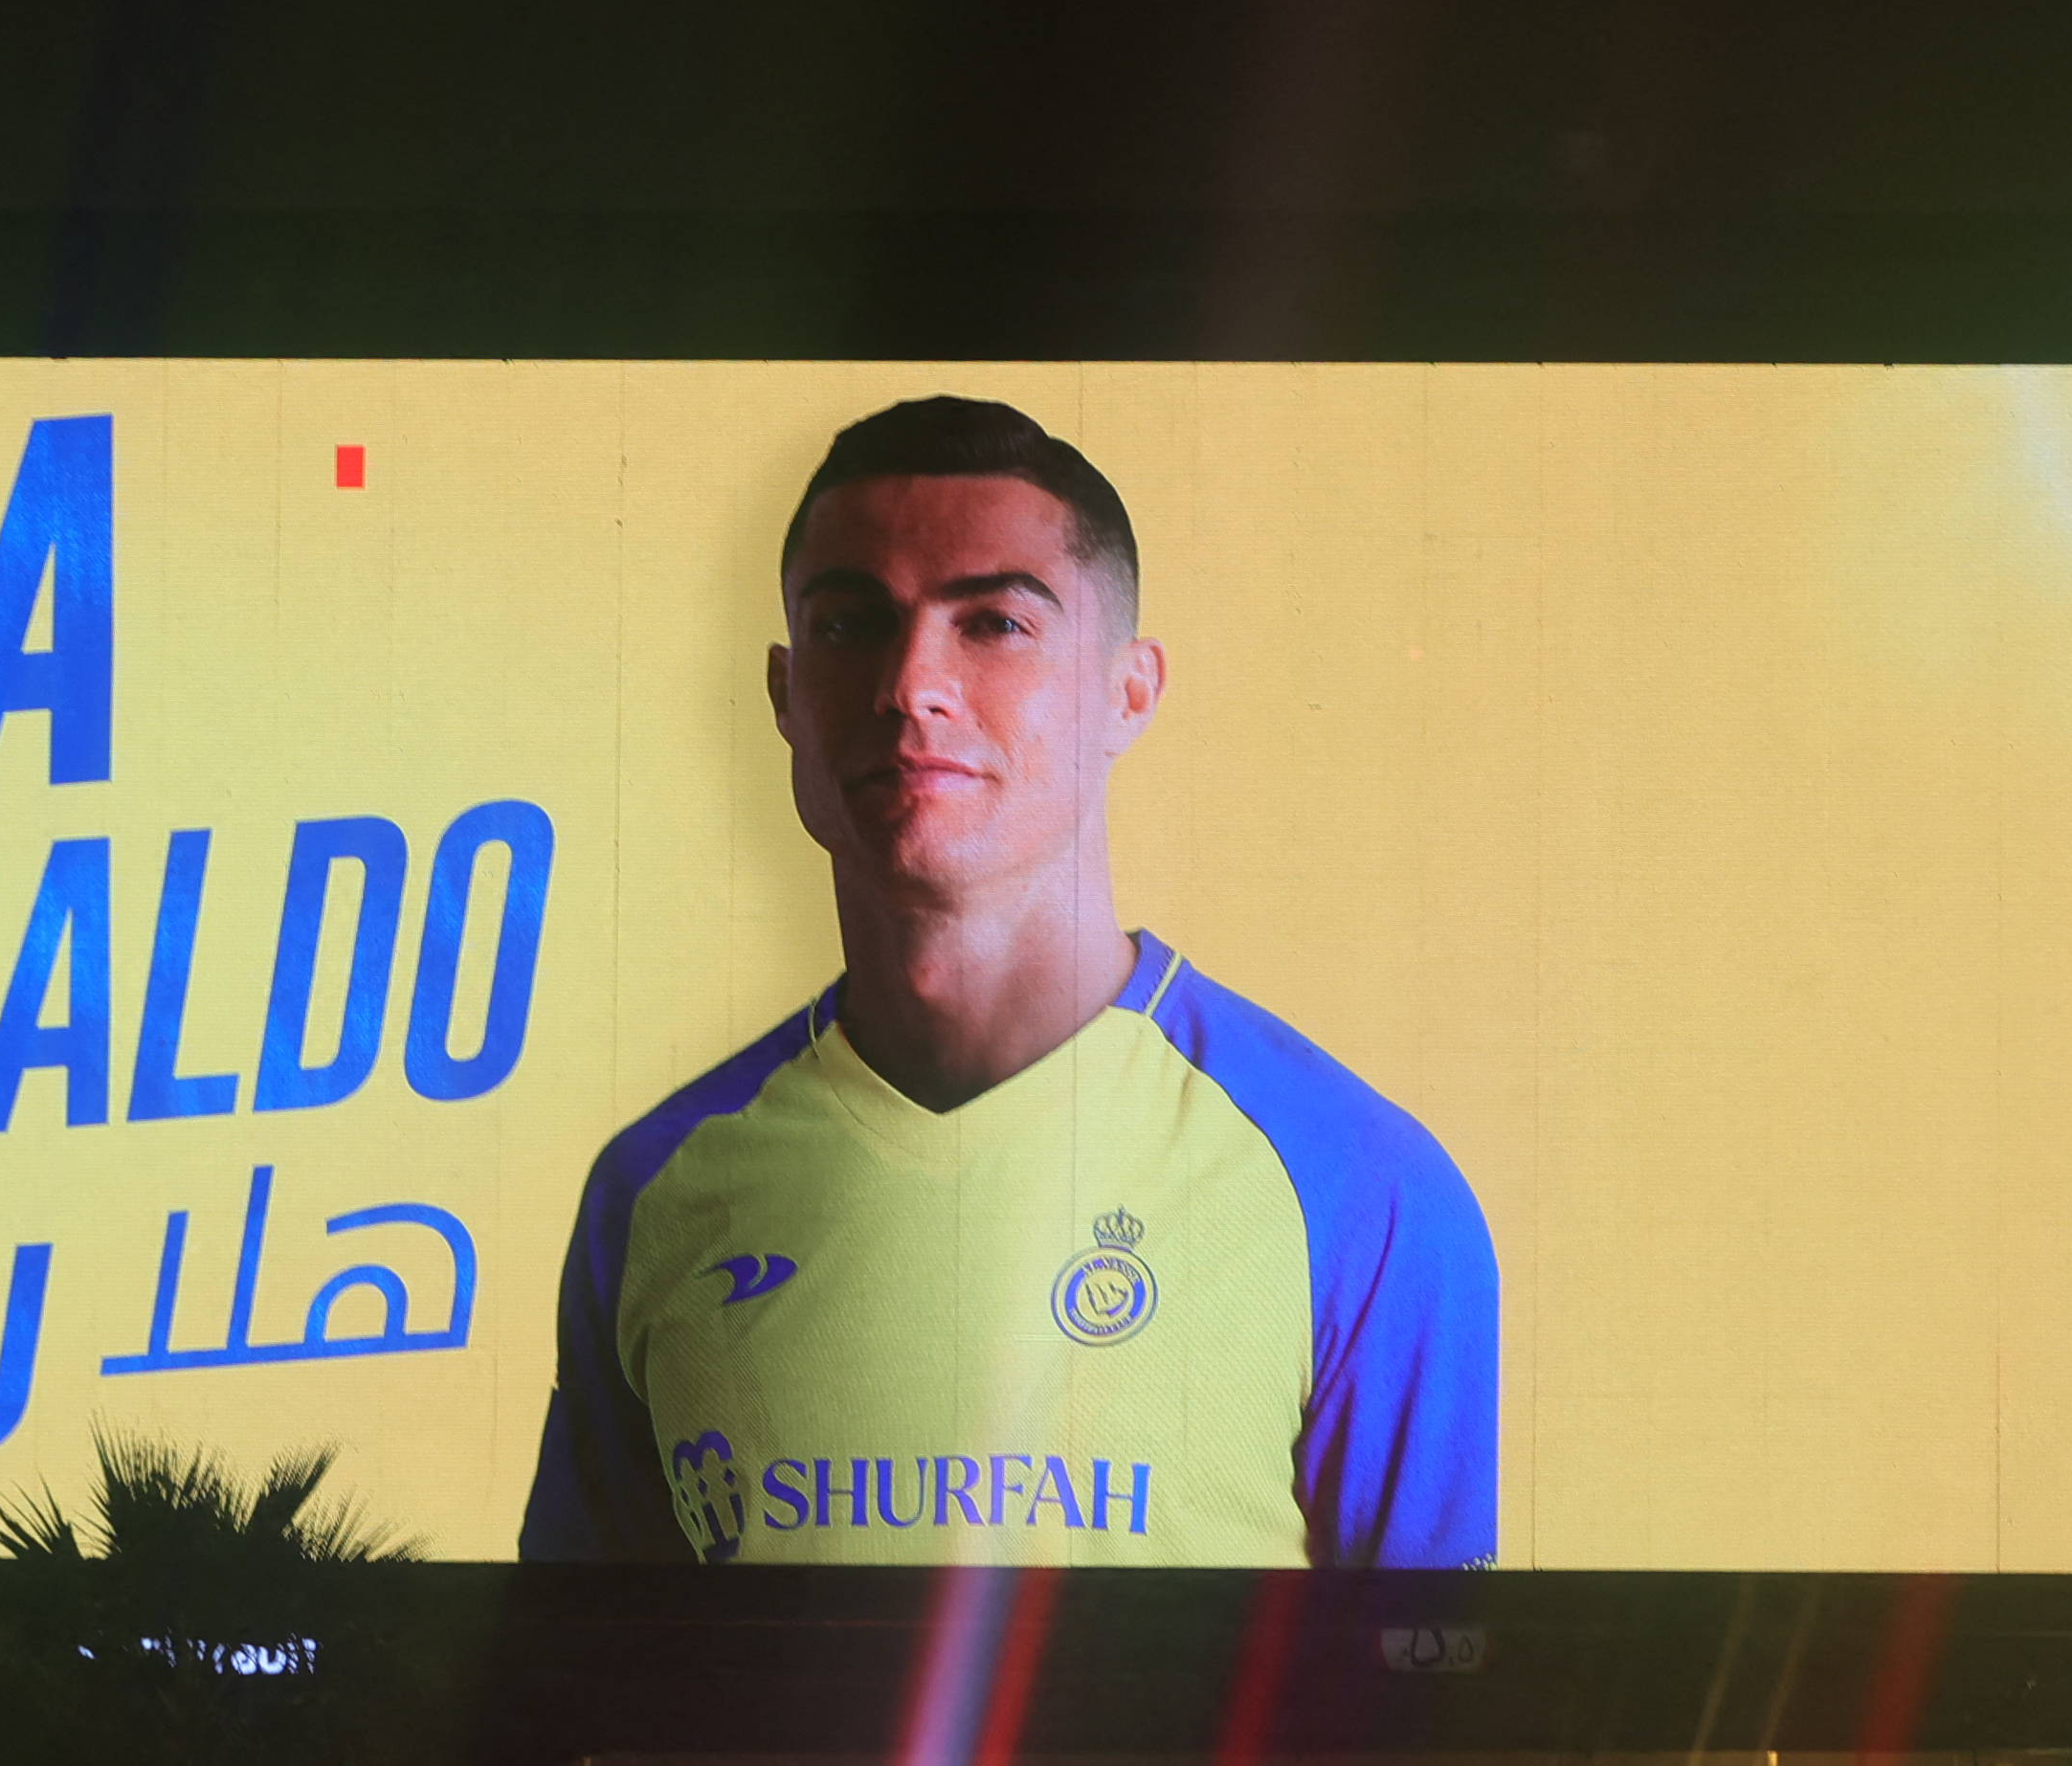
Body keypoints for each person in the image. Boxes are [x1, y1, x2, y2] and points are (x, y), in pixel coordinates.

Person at [519, 395, 1498, 1567]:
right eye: (850, 627)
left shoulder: (1357, 1190)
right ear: (784, 695)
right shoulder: (655, 1193)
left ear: (1127, 692)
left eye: (991, 623)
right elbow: (584, 1709)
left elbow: (1436, 1733)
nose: (910, 683)